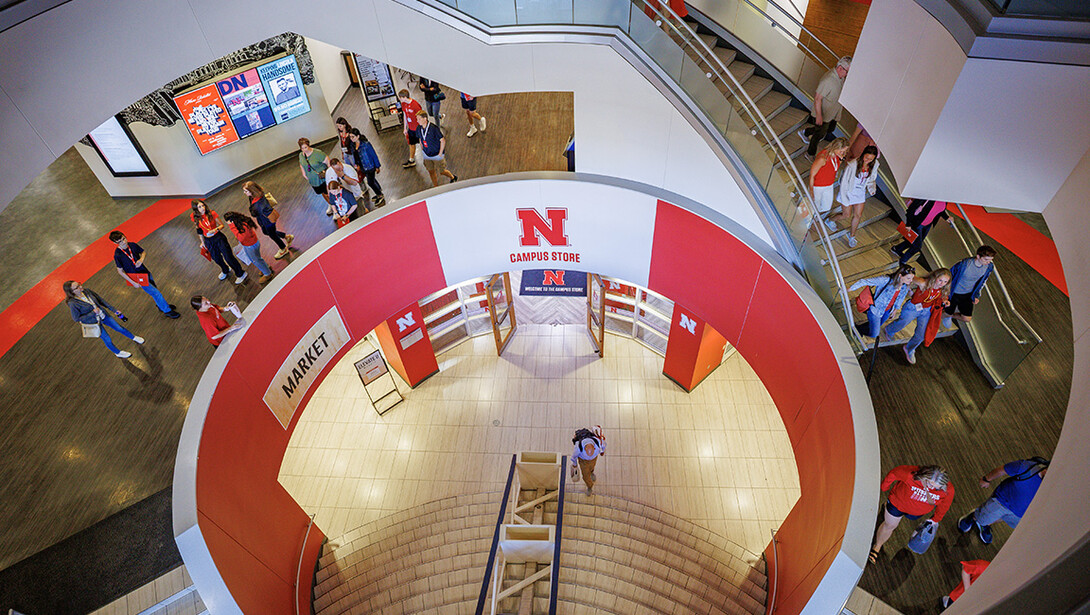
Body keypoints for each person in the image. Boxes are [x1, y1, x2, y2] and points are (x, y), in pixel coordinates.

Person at [870, 465, 954, 563]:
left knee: (902, 518)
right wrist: (884, 486)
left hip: (916, 512)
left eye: (936, 488)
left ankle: (886, 509)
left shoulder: (947, 490)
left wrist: (936, 519)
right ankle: (877, 546)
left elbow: (944, 505)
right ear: (925, 476)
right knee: (890, 525)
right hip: (897, 504)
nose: (931, 488)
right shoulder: (911, 474)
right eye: (930, 484)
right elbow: (894, 473)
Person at [958, 457, 1048, 544]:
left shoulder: (1051, 488)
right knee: (984, 516)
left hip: (1019, 514)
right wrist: (986, 479)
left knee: (1000, 518)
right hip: (1001, 502)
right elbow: (1002, 470)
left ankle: (985, 524)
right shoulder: (1026, 467)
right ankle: (974, 517)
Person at [882, 268, 951, 365]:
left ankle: (909, 348)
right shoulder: (924, 283)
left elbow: (942, 298)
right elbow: (912, 277)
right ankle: (889, 330)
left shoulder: (942, 290)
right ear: (935, 276)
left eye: (945, 281)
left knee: (922, 334)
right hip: (913, 307)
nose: (941, 283)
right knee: (903, 322)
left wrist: (945, 302)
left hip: (926, 310)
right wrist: (909, 287)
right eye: (940, 280)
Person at [64, 280, 145, 358]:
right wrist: (93, 313)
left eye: (79, 284)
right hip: (94, 323)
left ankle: (133, 337)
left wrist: (114, 310)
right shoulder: (73, 303)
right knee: (107, 339)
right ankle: (118, 352)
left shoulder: (87, 291)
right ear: (72, 292)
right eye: (77, 287)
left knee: (119, 328)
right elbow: (76, 318)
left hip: (103, 315)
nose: (80, 286)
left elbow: (101, 300)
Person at [108, 231, 180, 319]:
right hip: (137, 278)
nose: (124, 242)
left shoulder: (132, 245)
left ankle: (161, 305)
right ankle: (167, 310)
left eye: (124, 239)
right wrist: (133, 282)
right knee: (156, 293)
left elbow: (143, 252)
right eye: (120, 241)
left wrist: (141, 260)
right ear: (115, 243)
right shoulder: (118, 255)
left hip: (145, 272)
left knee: (154, 289)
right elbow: (120, 271)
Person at [798, 56, 851, 157]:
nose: (847, 75)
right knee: (819, 135)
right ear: (840, 68)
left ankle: (806, 132)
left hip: (833, 113)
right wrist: (819, 116)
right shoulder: (828, 80)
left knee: (830, 129)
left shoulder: (841, 78)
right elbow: (817, 98)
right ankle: (810, 153)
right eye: (847, 72)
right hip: (823, 114)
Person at [849, 264, 916, 340]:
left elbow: (900, 298)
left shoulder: (905, 286)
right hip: (876, 309)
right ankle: (859, 330)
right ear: (900, 275)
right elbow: (865, 281)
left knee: (878, 324)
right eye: (908, 278)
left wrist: (895, 309)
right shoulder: (886, 280)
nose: (911, 281)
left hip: (887, 311)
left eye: (912, 278)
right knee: (874, 334)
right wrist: (850, 289)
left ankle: (859, 328)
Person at [191, 200, 247, 284]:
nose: (202, 208)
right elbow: (199, 231)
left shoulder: (211, 213)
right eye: (199, 207)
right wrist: (202, 242)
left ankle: (241, 273)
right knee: (216, 258)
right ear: (196, 209)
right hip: (208, 241)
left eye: (203, 205)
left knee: (228, 257)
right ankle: (225, 269)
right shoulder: (195, 218)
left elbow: (221, 225)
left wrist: (215, 229)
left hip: (218, 238)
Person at [836, 145, 879, 247]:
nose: (868, 160)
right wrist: (845, 197)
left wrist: (872, 189)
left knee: (858, 215)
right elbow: (844, 183)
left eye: (871, 159)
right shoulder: (852, 165)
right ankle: (830, 220)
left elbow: (871, 179)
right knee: (846, 215)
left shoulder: (874, 165)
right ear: (863, 154)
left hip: (860, 193)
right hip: (848, 192)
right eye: (866, 157)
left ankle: (852, 235)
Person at [806, 137, 851, 234]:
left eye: (845, 151)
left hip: (828, 185)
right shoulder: (823, 158)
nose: (843, 153)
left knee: (826, 206)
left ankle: (811, 220)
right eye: (841, 151)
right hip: (817, 186)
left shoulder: (837, 156)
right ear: (835, 147)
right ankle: (806, 224)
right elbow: (812, 175)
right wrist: (811, 191)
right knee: (812, 207)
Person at [944, 245, 997, 327]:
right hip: (954, 293)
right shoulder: (963, 265)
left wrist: (976, 295)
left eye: (990, 260)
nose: (988, 262)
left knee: (967, 318)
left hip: (967, 294)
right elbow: (949, 275)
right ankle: (948, 315)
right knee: (946, 312)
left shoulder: (989, 267)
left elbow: (983, 282)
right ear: (978, 256)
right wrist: (945, 292)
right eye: (986, 259)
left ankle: (950, 316)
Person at [891, 199, 955, 265]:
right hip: (917, 223)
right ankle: (903, 261)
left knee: (913, 240)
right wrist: (908, 223)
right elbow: (911, 209)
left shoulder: (944, 200)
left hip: (927, 225)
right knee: (917, 246)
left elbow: (940, 210)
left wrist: (947, 217)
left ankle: (897, 249)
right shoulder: (928, 197)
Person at [243, 180, 294, 259]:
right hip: (265, 219)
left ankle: (283, 249)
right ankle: (287, 237)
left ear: (252, 191)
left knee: (272, 234)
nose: (244, 192)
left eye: (246, 191)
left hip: (267, 221)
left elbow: (253, 214)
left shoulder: (258, 204)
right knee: (266, 232)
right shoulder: (257, 195)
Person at [223, 211, 272, 283]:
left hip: (250, 246)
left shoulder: (238, 226)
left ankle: (267, 273)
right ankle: (265, 267)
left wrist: (232, 227)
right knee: (258, 258)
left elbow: (241, 238)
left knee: (255, 260)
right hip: (255, 242)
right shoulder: (243, 221)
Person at [416, 110, 458, 187]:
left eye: (419, 119)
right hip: (427, 154)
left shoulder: (433, 128)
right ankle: (436, 186)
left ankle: (452, 177)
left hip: (436, 154)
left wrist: (440, 152)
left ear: (425, 119)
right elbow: (420, 138)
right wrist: (422, 147)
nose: (417, 121)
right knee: (431, 171)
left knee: (442, 171)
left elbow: (442, 140)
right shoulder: (419, 128)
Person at [347, 128, 384, 207]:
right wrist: (357, 164)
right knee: (372, 180)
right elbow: (356, 156)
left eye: (353, 137)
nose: (351, 139)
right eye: (350, 137)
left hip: (370, 166)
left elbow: (373, 155)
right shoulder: (353, 145)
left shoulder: (366, 144)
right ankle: (379, 191)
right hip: (363, 167)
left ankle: (379, 194)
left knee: (370, 182)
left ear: (358, 136)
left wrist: (377, 166)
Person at [570, 426, 606, 493]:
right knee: (586, 476)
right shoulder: (578, 447)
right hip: (583, 462)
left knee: (592, 466)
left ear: (594, 448)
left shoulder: (598, 442)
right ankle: (589, 486)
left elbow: (604, 445)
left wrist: (602, 451)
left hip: (594, 459)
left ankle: (592, 472)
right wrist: (575, 465)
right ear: (584, 448)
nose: (589, 455)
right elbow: (574, 457)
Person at [298, 137, 331, 208]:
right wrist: (304, 174)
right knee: (322, 193)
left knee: (327, 192)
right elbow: (301, 164)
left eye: (305, 147)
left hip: (322, 178)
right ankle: (330, 204)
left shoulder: (317, 153)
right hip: (313, 180)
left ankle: (334, 206)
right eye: (302, 148)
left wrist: (330, 174)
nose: (304, 150)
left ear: (308, 145)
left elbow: (328, 161)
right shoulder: (301, 155)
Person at [398, 89, 424, 168]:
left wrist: (422, 128)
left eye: (400, 98)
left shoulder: (415, 105)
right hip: (411, 129)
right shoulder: (404, 104)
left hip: (418, 129)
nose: (399, 99)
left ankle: (430, 158)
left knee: (423, 143)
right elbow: (405, 115)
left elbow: (422, 117)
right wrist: (405, 128)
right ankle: (411, 160)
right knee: (411, 144)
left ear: (405, 97)